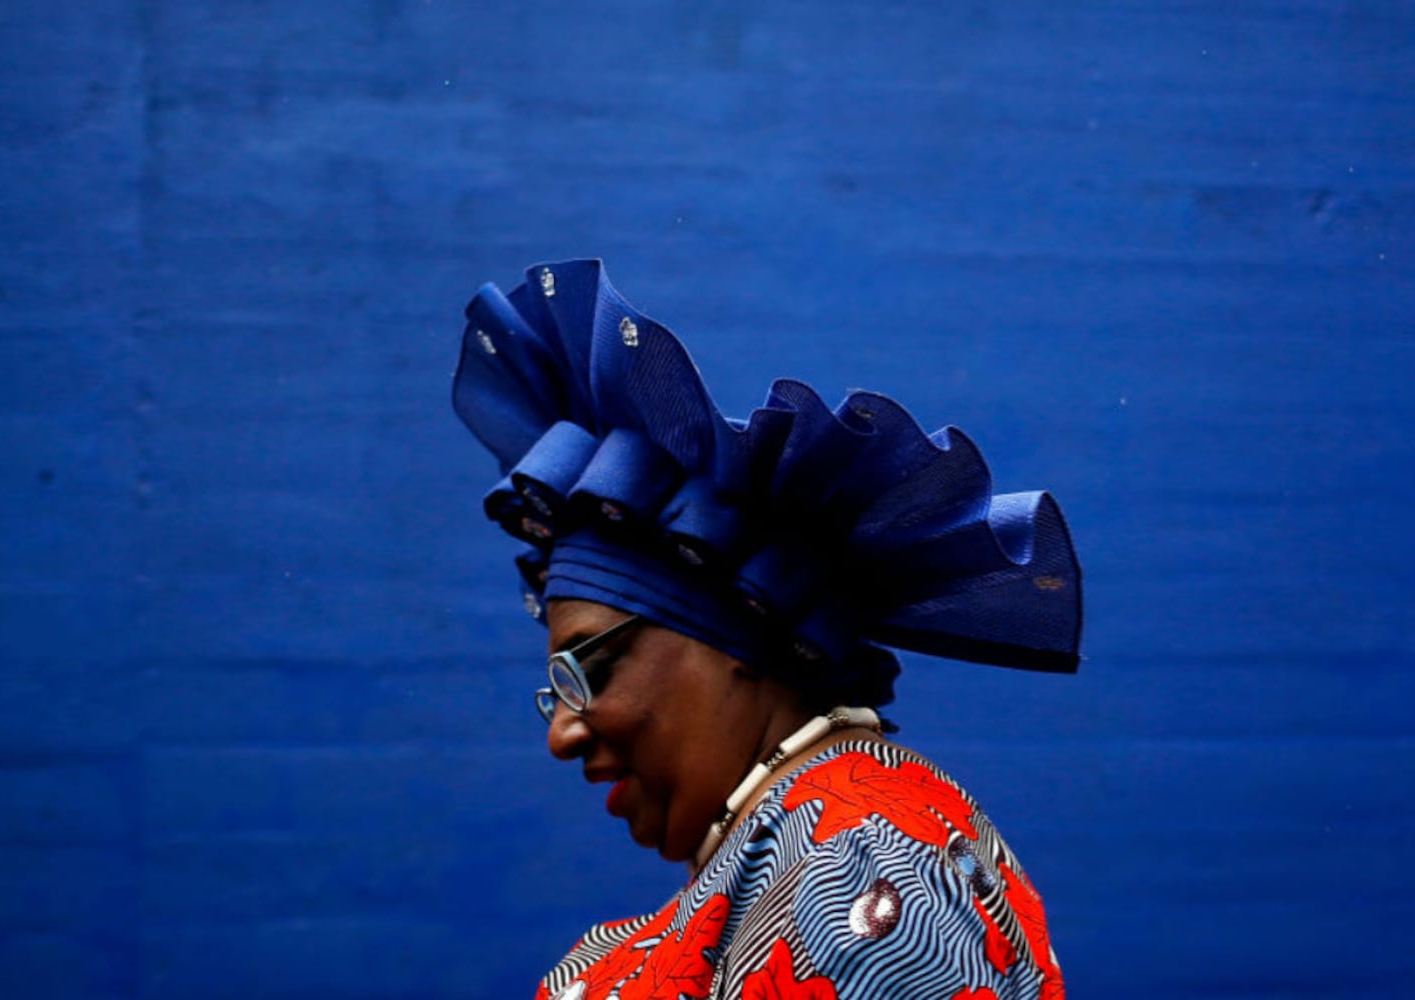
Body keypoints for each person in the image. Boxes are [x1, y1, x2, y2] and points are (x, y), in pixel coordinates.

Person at [453, 260, 1082, 1000]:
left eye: (586, 673)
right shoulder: (799, 847)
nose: (562, 733)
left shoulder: (859, 862)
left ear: (736, 633)